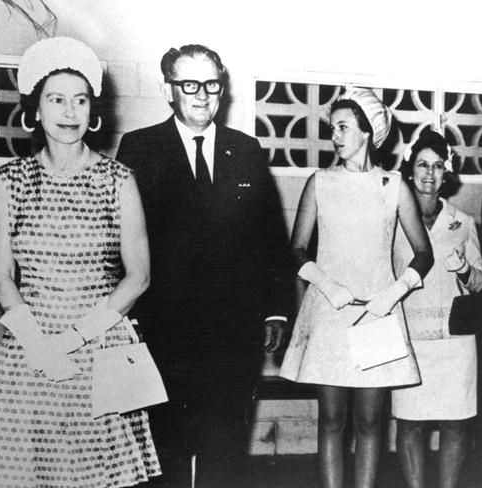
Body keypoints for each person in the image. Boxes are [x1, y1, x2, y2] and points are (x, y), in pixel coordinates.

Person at [115, 44, 292, 485]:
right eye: (188, 85)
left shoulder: (246, 149)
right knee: (165, 448)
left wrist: (274, 308)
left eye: (211, 85)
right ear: (167, 89)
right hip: (162, 327)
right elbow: (116, 239)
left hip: (232, 332)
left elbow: (269, 235)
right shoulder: (140, 148)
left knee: (226, 448)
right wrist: (124, 316)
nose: (201, 95)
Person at [0, 37, 159, 487]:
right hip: (29, 352)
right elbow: (1, 275)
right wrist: (40, 342)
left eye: (80, 100)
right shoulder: (12, 180)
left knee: (95, 478)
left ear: (93, 110)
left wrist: (73, 338)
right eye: (57, 100)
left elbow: (138, 278)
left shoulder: (118, 180)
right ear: (35, 110)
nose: (69, 112)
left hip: (99, 349)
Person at [280, 87, 434, 488]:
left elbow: (423, 253)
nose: (336, 135)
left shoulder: (393, 185)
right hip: (329, 314)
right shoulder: (320, 182)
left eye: (344, 127)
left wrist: (394, 292)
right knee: (331, 419)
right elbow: (295, 249)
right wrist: (325, 284)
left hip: (377, 315)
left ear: (367, 131)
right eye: (333, 128)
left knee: (370, 422)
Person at [391, 128, 482, 488]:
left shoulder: (463, 223)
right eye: (422, 164)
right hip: (409, 341)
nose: (429, 173)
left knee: (456, 424)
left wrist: (464, 269)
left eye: (436, 166)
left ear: (447, 172)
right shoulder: (393, 220)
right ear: (409, 169)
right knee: (410, 424)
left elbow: (480, 285)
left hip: (455, 342)